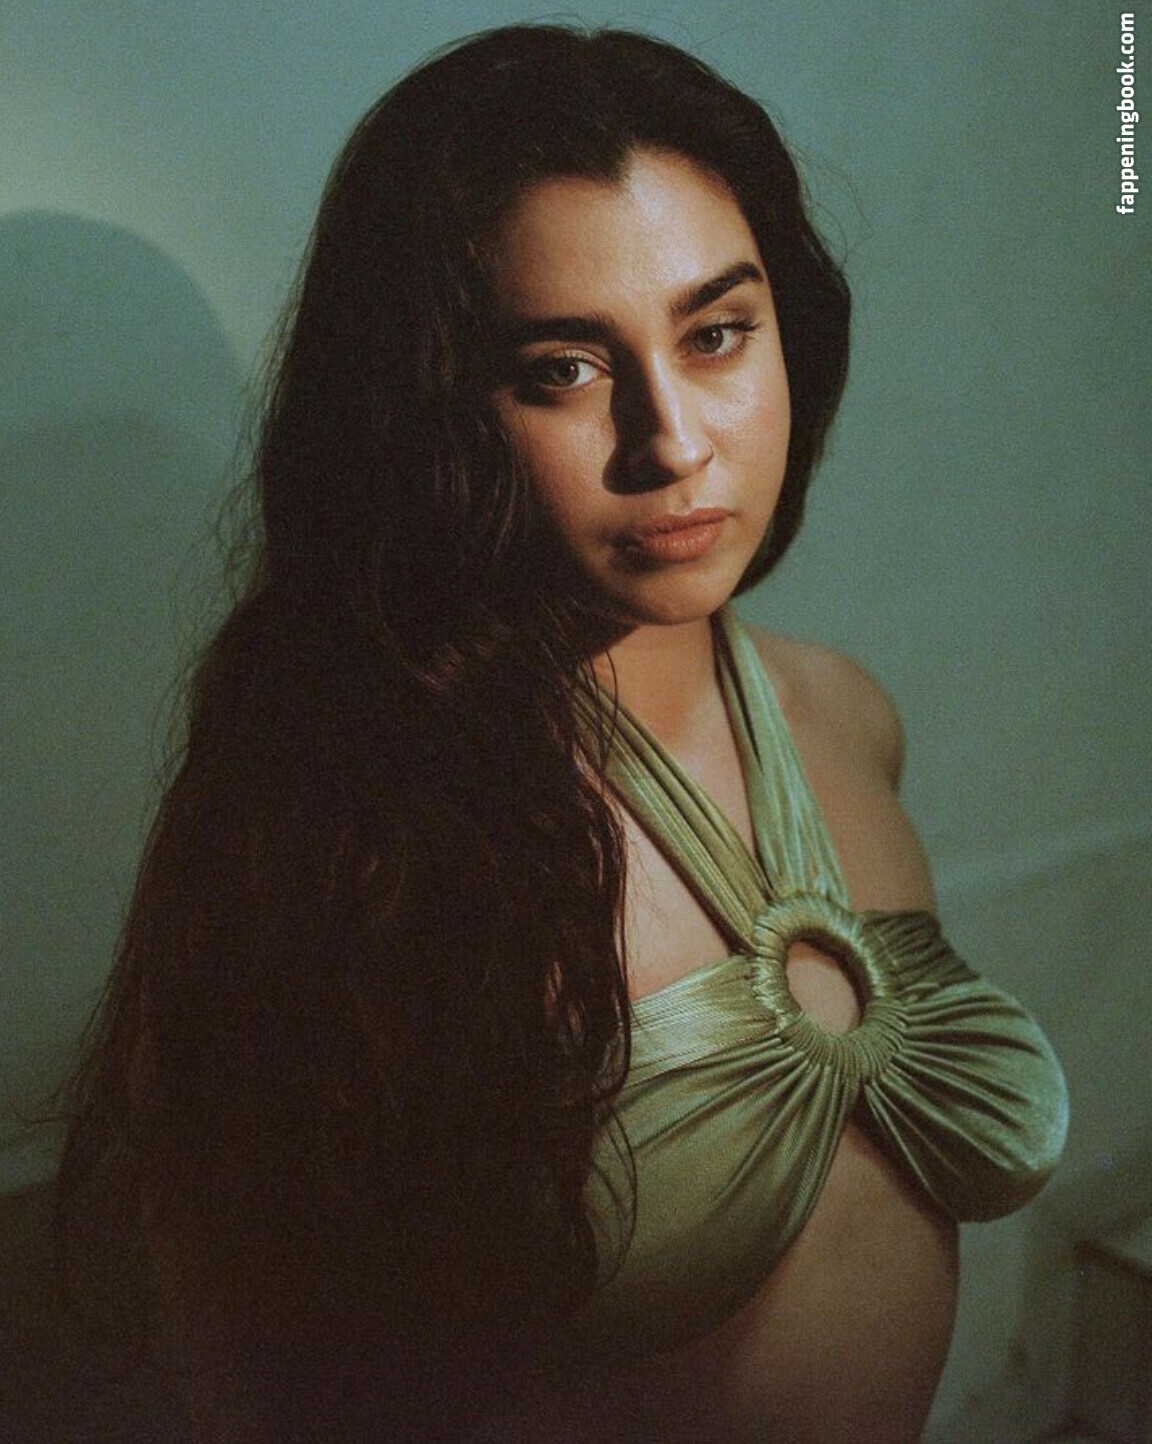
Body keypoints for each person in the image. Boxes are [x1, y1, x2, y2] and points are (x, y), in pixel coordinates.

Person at [55, 23, 1068, 1443]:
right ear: (431, 407)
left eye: (717, 334)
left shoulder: (845, 718)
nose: (673, 441)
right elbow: (243, 1373)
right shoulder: (350, 821)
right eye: (563, 369)